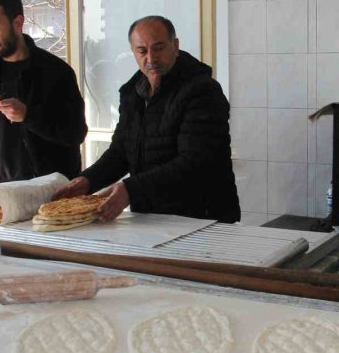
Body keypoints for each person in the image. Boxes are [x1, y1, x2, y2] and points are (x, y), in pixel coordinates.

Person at [52, 15, 240, 223]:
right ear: (133, 52)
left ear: (175, 46)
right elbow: (122, 151)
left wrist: (130, 189)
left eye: (159, 48)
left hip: (203, 217)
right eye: (142, 51)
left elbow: (195, 162)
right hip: (149, 217)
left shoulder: (202, 91)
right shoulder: (133, 93)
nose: (151, 58)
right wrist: (87, 181)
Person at [0, 0, 86, 183]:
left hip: (46, 195)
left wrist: (28, 115)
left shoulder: (56, 71)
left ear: (18, 22)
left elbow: (75, 133)